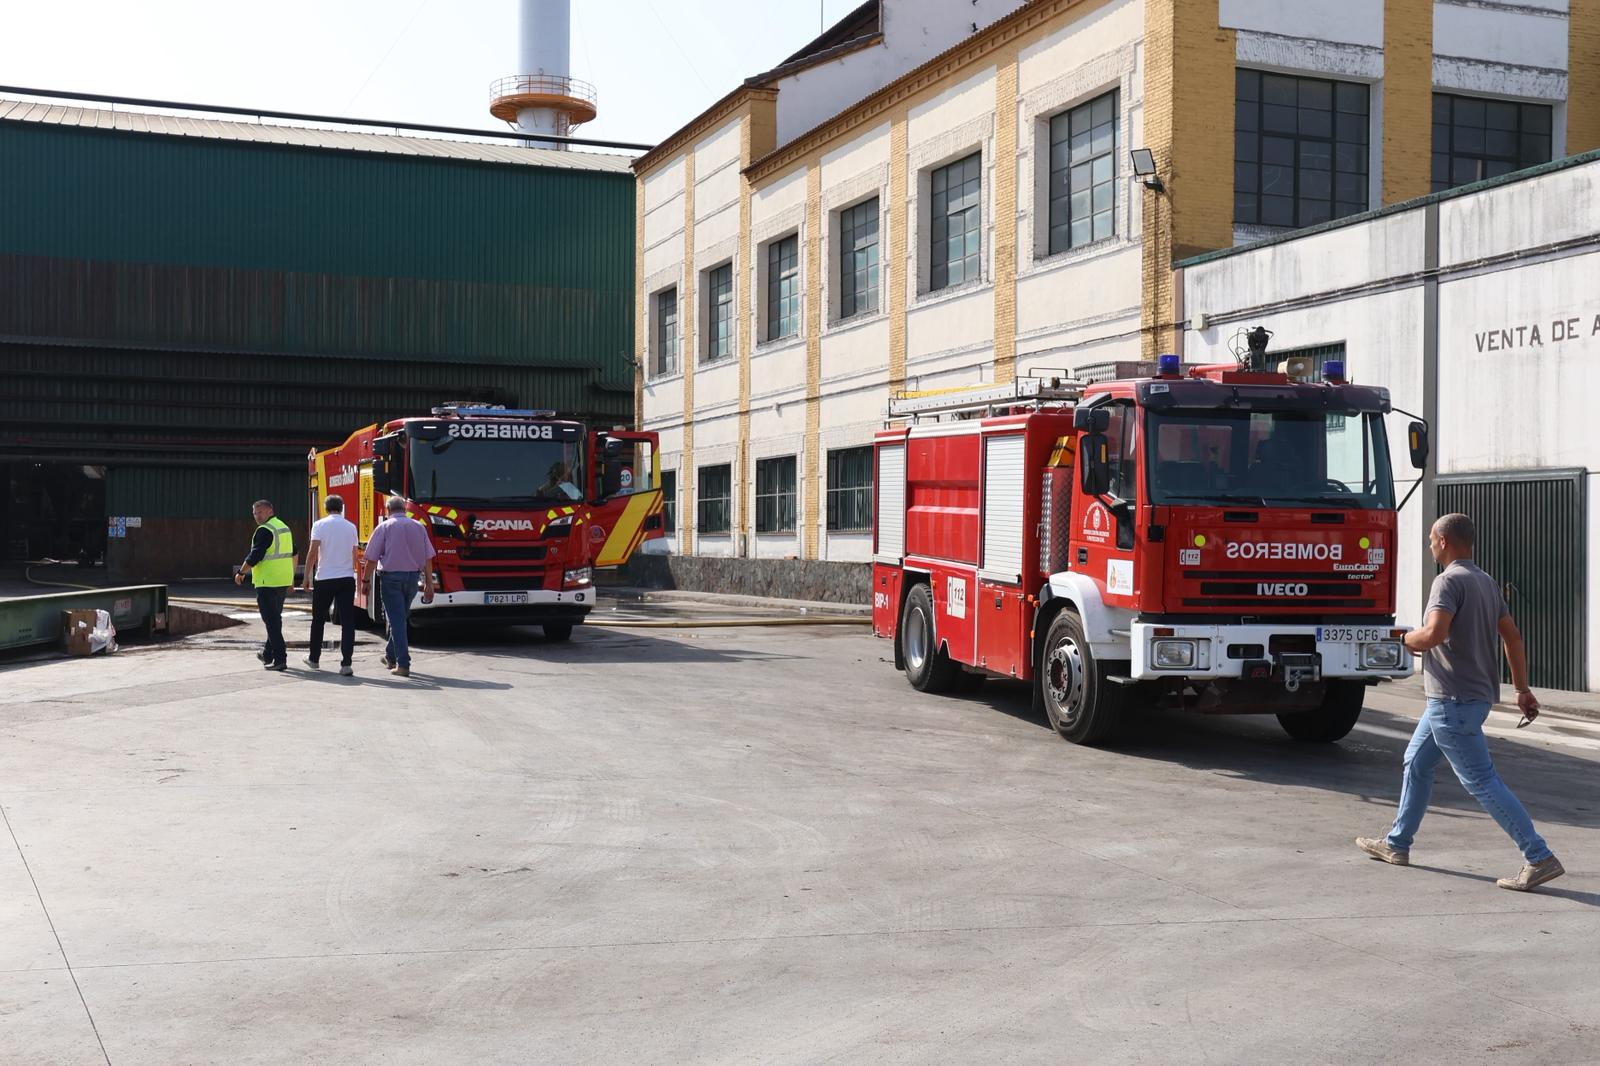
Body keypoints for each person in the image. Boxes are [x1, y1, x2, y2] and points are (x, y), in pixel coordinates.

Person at [1357, 513, 1563, 892]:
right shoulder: (1485, 582)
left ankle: (1538, 856)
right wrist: (1521, 689)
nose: (1430, 545)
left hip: (1452, 699)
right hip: (1466, 698)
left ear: (1444, 542)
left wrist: (1403, 640)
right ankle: (1397, 844)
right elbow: (1513, 638)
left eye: (1432, 539)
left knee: (1482, 781)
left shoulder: (1447, 581)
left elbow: (1434, 634)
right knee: (1415, 763)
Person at [362, 495, 435, 678]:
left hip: (391, 579)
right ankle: (390, 656)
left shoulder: (384, 527)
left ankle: (403, 664)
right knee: (400, 618)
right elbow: (427, 558)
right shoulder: (419, 527)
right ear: (405, 510)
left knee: (396, 621)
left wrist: (365, 581)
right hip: (412, 579)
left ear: (387, 510)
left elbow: (371, 558)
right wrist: (429, 583)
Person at [303, 495, 360, 676]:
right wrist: (353, 574)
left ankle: (314, 659)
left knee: (318, 620)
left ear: (325, 508)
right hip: (346, 578)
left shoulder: (320, 525)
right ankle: (346, 664)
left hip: (325, 578)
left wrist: (306, 576)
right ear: (341, 508)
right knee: (347, 622)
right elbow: (354, 554)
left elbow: (313, 552)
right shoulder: (351, 527)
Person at [235, 498, 294, 672]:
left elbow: (256, 555)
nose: (257, 516)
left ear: (270, 510)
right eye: (254, 513)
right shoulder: (283, 527)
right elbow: (294, 551)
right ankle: (268, 654)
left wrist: (241, 572)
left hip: (267, 582)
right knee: (275, 620)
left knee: (272, 622)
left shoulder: (265, 530)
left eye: (260, 512)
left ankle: (280, 658)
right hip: (282, 581)